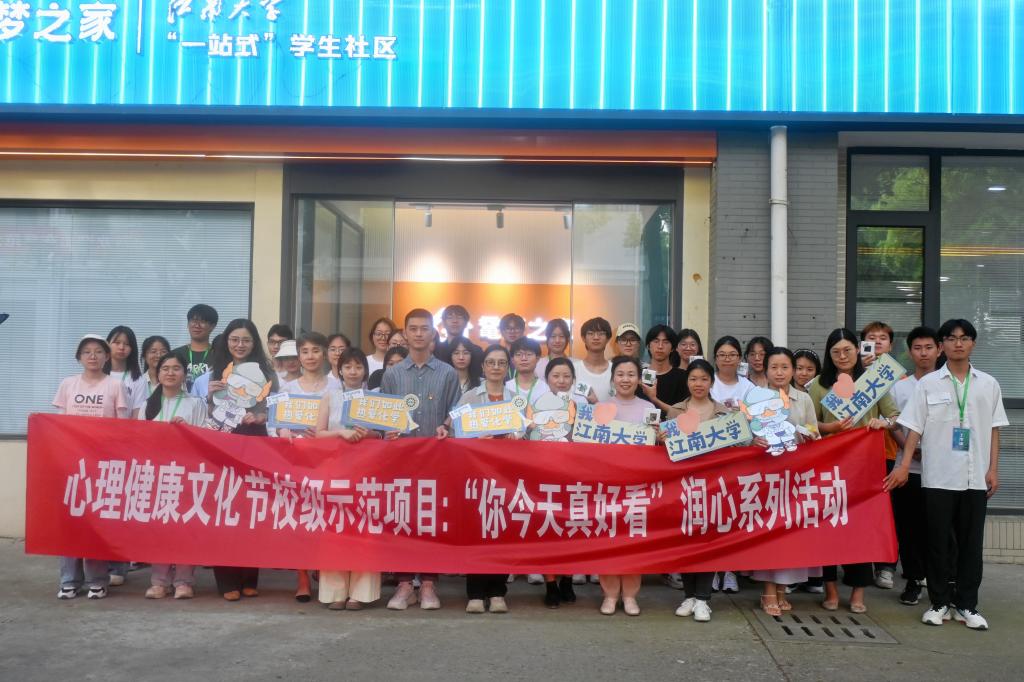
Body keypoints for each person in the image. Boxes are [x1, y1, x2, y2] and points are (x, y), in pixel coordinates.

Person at [885, 319, 1008, 631]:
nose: (958, 344)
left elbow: (994, 430)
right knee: (937, 542)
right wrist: (903, 466)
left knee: (971, 545)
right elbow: (914, 429)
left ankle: (967, 604)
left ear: (973, 343)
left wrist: (993, 469)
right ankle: (939, 603)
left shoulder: (988, 384)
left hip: (975, 478)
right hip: (938, 476)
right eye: (951, 339)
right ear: (943, 345)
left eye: (964, 338)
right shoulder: (928, 384)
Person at [807, 327, 899, 614]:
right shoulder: (819, 385)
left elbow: (895, 416)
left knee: (861, 528)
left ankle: (859, 591)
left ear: (858, 350)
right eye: (836, 352)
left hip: (864, 467)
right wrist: (831, 427)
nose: (842, 356)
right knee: (828, 528)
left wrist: (883, 423)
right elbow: (810, 424)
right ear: (829, 354)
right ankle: (831, 589)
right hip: (830, 467)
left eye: (847, 350)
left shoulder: (872, 381)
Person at [381, 308, 461, 611]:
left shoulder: (447, 373)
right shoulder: (392, 374)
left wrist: (446, 427)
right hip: (400, 460)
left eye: (424, 328)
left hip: (436, 460)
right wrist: (387, 430)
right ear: (405, 333)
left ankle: (428, 583)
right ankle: (404, 584)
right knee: (402, 517)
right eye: (412, 328)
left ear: (433, 332)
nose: (418, 333)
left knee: (431, 519)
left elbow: (455, 413)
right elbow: (384, 415)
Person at [206, 318, 279, 602]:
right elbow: (202, 414)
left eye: (246, 340)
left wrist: (262, 417)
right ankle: (227, 580)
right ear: (226, 341)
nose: (240, 345)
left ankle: (249, 577)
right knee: (224, 511)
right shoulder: (214, 373)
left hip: (255, 444)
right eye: (234, 339)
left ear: (254, 343)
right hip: (222, 447)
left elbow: (277, 411)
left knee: (251, 512)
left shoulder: (268, 374)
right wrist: (208, 395)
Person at [54, 334, 130, 600]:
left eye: (98, 351)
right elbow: (59, 425)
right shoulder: (68, 384)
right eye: (87, 352)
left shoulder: (115, 385)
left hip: (102, 465)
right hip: (72, 463)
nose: (93, 356)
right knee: (71, 522)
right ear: (79, 357)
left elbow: (123, 427)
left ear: (107, 356)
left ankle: (97, 579)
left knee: (96, 523)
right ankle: (69, 580)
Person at [749, 348, 822, 616]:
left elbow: (815, 433)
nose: (779, 373)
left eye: (785, 367)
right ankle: (768, 590)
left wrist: (810, 437)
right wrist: (753, 440)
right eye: (774, 367)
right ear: (765, 370)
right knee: (769, 533)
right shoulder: (755, 398)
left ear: (793, 370)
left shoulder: (804, 399)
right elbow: (743, 435)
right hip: (766, 474)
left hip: (796, 475)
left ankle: (782, 589)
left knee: (791, 533)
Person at [315, 347, 383, 611]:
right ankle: (335, 592)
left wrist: (370, 434)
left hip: (366, 471)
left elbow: (382, 434)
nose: (353, 372)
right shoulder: (329, 396)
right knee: (334, 529)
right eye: (348, 367)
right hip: (335, 471)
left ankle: (361, 593)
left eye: (358, 367)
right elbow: (319, 433)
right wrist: (341, 433)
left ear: (365, 371)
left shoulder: (374, 398)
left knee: (364, 530)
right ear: (340, 370)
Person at [138, 353, 207, 600]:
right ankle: (159, 581)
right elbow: (139, 439)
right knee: (160, 528)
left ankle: (184, 581)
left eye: (176, 368)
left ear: (185, 374)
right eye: (165, 368)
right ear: (157, 373)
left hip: (187, 473)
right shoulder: (148, 405)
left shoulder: (196, 403)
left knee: (186, 527)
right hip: (157, 474)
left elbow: (206, 437)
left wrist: (188, 430)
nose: (170, 373)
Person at [455, 345, 518, 615]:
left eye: (501, 362)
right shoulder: (469, 397)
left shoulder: (516, 399)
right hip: (476, 474)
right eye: (491, 362)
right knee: (477, 531)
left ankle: (498, 591)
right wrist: (475, 438)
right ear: (482, 366)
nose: (495, 367)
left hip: (506, 475)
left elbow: (526, 435)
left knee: (502, 531)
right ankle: (475, 593)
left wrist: (516, 438)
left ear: (507, 368)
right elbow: (457, 434)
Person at [279, 332, 338, 602]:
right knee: (301, 516)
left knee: (325, 517)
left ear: (324, 354)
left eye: (315, 350)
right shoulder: (288, 389)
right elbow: (276, 424)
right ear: (299, 356)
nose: (310, 356)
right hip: (298, 460)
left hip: (328, 460)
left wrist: (325, 432)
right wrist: (283, 432)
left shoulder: (335, 385)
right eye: (305, 351)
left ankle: (321, 567)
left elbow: (340, 421)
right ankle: (302, 576)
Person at [597, 356, 657, 617]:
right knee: (608, 540)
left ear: (639, 379)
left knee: (634, 541)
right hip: (608, 485)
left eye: (631, 374)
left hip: (637, 485)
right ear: (612, 379)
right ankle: (610, 594)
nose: (625, 379)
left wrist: (658, 435)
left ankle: (631, 595)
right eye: (620, 374)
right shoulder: (601, 407)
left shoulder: (648, 408)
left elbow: (654, 447)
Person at [886, 326, 941, 607]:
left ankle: (940, 580)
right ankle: (913, 579)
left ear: (939, 350)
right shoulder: (900, 387)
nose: (923, 353)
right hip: (907, 468)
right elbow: (893, 423)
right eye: (917, 348)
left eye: (929, 347)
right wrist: (908, 448)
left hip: (941, 470)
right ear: (909, 352)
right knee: (908, 527)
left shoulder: (947, 384)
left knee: (938, 527)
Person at [668, 359, 726, 623]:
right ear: (687, 382)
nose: (698, 384)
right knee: (685, 540)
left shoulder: (723, 413)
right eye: (693, 379)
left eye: (704, 379)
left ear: (711, 382)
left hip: (713, 484)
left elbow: (738, 445)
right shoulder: (676, 411)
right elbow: (665, 450)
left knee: (708, 541)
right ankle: (689, 596)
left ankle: (703, 599)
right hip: (682, 485)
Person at [860, 321, 901, 589]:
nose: (876, 342)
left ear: (891, 344)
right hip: (860, 456)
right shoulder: (855, 376)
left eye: (882, 338)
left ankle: (886, 567)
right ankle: (862, 564)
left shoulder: (901, 378)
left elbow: (897, 417)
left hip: (888, 453)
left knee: (886, 513)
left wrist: (886, 425)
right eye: (871, 338)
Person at [639, 325, 689, 417]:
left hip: (673, 425)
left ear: (672, 348)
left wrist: (654, 399)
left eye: (665, 342)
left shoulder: (683, 377)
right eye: (656, 341)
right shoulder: (639, 376)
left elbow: (685, 414)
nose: (660, 346)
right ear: (648, 346)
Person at [104, 325, 148, 418]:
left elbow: (137, 415)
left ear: (132, 349)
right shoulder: (98, 375)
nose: (121, 347)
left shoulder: (139, 380)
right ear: (107, 344)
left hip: (126, 426)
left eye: (127, 344)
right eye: (117, 342)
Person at [172, 304, 219, 392]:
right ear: (188, 324)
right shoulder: (175, 354)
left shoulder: (218, 354)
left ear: (212, 326)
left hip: (209, 399)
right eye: (193, 321)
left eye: (202, 321)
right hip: (181, 400)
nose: (197, 325)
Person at [573, 317, 613, 402]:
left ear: (608, 339)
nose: (596, 337)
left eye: (601, 334)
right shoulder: (573, 369)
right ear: (583, 338)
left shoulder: (615, 370)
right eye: (591, 333)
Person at [710, 336, 754, 411]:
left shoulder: (748, 387)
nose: (727, 359)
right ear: (715, 359)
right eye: (722, 355)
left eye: (732, 355)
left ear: (739, 359)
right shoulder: (707, 383)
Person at [506, 337, 550, 410]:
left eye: (529, 354)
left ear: (537, 358)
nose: (524, 358)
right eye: (518, 354)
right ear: (513, 360)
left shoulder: (546, 389)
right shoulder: (506, 387)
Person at [139, 335, 171, 400]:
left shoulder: (175, 381)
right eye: (153, 351)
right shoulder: (138, 382)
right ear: (144, 356)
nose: (158, 355)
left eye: (163, 351)